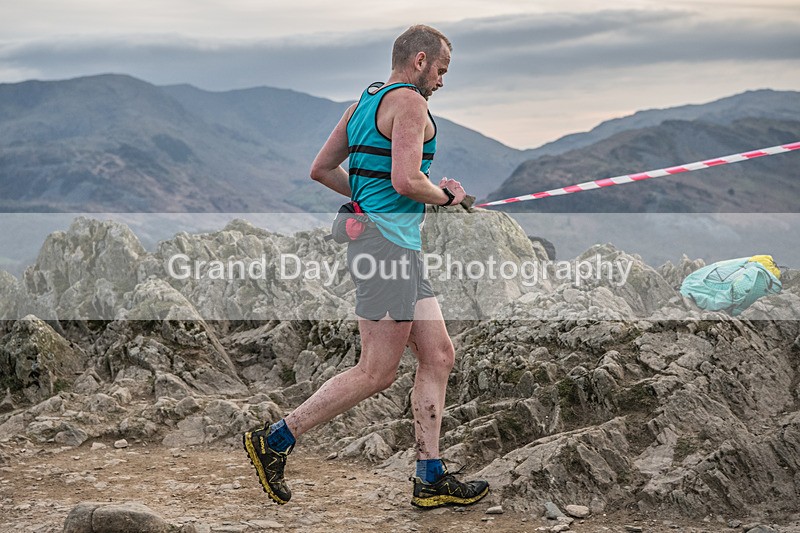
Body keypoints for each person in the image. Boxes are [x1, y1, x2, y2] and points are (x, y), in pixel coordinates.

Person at [243, 24, 489, 509]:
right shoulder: (411, 103)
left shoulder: (361, 105)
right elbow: (406, 180)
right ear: (420, 60)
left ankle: (430, 476)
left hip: (389, 247)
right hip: (387, 251)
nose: (442, 81)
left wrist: (368, 198)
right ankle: (275, 439)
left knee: (438, 354)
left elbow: (321, 169)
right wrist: (447, 195)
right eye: (441, 70)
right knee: (376, 372)